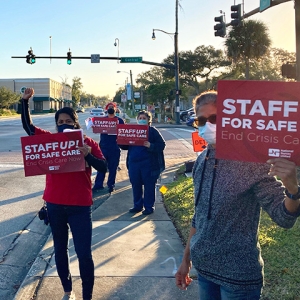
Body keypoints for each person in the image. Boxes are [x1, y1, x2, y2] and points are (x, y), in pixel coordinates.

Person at [175, 91, 300, 299]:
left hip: (239, 279)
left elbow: (283, 217)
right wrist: (185, 260)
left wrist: (293, 189)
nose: (208, 125)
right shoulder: (202, 160)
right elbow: (199, 216)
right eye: (202, 120)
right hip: (204, 270)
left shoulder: (251, 161)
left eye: (214, 118)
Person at [21, 88, 107, 300]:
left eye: (68, 120)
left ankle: (87, 295)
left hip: (80, 206)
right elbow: (28, 128)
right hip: (55, 204)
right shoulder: (49, 140)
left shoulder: (88, 143)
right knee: (60, 251)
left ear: (75, 123)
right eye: (60, 121)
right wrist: (24, 102)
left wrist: (88, 156)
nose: (64, 124)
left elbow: (104, 167)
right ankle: (67, 290)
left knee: (84, 254)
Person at [119, 110, 166, 215]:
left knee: (149, 185)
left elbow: (162, 145)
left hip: (148, 164)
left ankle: (149, 207)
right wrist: (120, 141)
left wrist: (151, 145)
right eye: (140, 118)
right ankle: (137, 206)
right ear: (137, 120)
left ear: (148, 120)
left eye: (144, 118)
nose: (142, 120)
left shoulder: (153, 131)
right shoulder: (132, 131)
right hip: (134, 164)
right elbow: (125, 146)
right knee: (136, 184)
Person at [93, 102, 124, 193]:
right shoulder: (102, 121)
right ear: (106, 109)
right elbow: (94, 127)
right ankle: (98, 185)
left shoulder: (120, 121)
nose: (111, 108)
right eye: (109, 107)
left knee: (113, 168)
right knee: (101, 167)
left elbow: (123, 133)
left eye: (112, 107)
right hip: (103, 147)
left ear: (115, 109)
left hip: (115, 147)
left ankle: (111, 185)